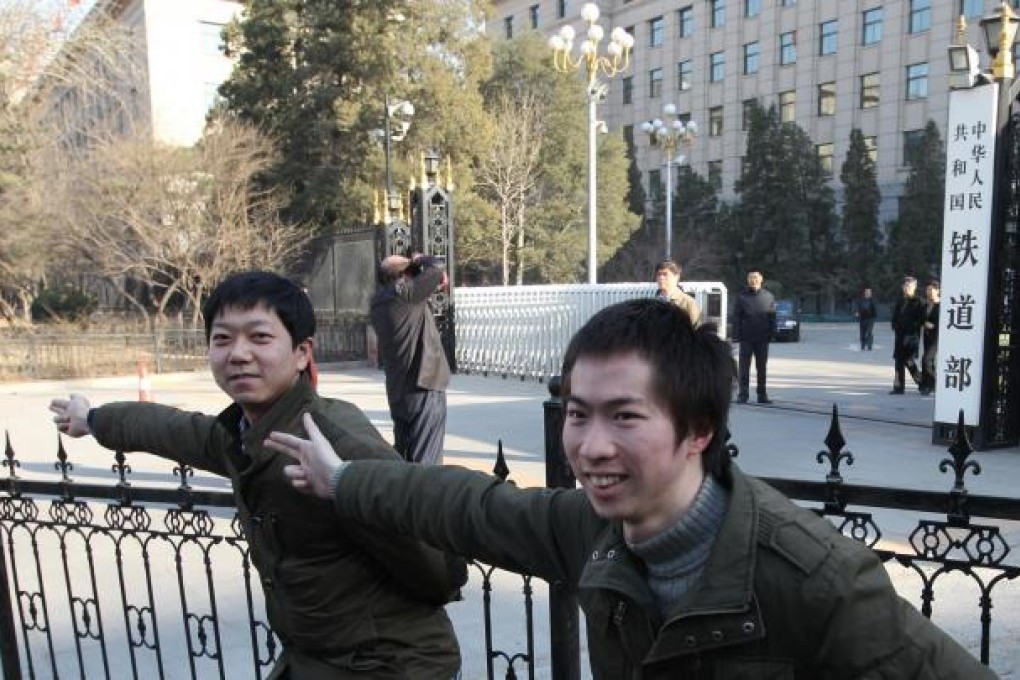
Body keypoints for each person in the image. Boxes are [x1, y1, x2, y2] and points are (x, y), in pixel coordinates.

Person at [267, 298, 991, 679]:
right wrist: (345, 481)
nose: (589, 445)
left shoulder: (818, 581)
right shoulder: (591, 531)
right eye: (578, 415)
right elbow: (463, 507)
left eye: (626, 417)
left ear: (699, 429)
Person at [49, 270, 464, 680]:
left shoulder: (332, 441)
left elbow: (433, 567)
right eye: (222, 339)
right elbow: (173, 429)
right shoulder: (247, 432)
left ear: (302, 352)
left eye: (260, 337)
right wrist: (94, 419)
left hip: (389, 664)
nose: (238, 353)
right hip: (314, 657)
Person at [371, 253, 450, 465]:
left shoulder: (379, 302)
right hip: (422, 387)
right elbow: (437, 266)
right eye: (413, 272)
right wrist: (419, 259)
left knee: (404, 458)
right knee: (426, 464)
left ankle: (402, 497)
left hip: (399, 392)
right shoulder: (404, 294)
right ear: (404, 274)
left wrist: (426, 281)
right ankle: (423, 498)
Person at [732, 268, 776, 404]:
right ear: (748, 280)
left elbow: (772, 317)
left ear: (761, 279)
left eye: (756, 277)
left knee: (761, 367)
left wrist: (772, 333)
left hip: (762, 338)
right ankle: (743, 394)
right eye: (751, 277)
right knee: (744, 368)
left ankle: (762, 394)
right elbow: (736, 317)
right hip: (746, 338)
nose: (753, 280)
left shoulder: (769, 296)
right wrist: (736, 335)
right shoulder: (741, 297)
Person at [890, 275, 926, 395]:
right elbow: (895, 316)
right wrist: (894, 325)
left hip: (911, 336)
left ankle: (921, 383)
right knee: (899, 361)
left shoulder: (919, 301)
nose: (907, 288)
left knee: (909, 361)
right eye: (905, 286)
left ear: (914, 287)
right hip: (899, 336)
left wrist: (912, 329)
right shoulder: (900, 301)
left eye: (909, 286)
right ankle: (898, 387)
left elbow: (921, 319)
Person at [654, 259, 701, 325]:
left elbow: (696, 330)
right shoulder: (653, 304)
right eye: (659, 274)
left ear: (676, 277)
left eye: (665, 274)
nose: (661, 278)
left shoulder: (688, 304)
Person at [920, 279, 941, 396]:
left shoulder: (941, 306)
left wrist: (934, 325)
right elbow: (920, 318)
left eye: (931, 290)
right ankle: (930, 385)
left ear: (938, 291)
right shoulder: (926, 305)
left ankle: (929, 384)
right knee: (930, 361)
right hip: (927, 335)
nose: (928, 292)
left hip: (936, 337)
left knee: (926, 359)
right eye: (927, 290)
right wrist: (924, 323)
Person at [854, 286, 877, 351]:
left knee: (868, 332)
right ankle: (863, 345)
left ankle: (869, 346)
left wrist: (872, 315)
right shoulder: (861, 300)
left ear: (871, 293)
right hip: (862, 318)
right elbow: (857, 307)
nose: (867, 293)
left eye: (869, 292)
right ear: (864, 292)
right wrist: (857, 312)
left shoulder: (873, 300)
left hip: (870, 319)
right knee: (862, 333)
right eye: (866, 292)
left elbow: (875, 308)